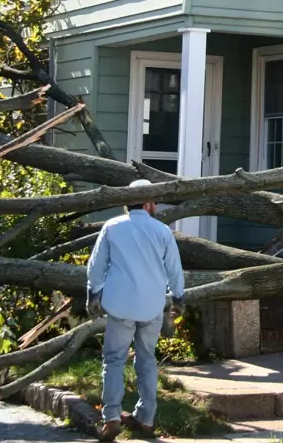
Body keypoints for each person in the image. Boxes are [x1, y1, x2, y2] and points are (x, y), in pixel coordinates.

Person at [86, 179, 185, 441]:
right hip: (152, 306)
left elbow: (97, 265)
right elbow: (174, 268)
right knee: (147, 359)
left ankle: (112, 416)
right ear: (149, 203)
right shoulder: (162, 231)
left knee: (114, 360)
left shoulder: (112, 227)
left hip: (120, 304)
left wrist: (93, 293)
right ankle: (146, 418)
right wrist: (178, 298)